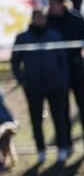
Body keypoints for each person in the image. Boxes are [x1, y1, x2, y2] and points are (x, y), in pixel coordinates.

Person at [11, 8, 70, 164]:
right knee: (36, 120)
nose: (40, 20)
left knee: (59, 118)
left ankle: (62, 148)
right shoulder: (22, 38)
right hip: (33, 86)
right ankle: (41, 150)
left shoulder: (54, 36)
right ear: (32, 19)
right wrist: (22, 80)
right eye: (37, 17)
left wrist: (63, 81)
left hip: (55, 85)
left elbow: (63, 61)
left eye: (42, 17)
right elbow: (15, 61)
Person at [45, 0, 84, 155]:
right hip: (58, 71)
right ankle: (66, 144)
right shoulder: (48, 21)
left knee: (82, 106)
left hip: (76, 68)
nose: (51, 7)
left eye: (54, 3)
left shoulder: (76, 18)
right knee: (62, 108)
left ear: (62, 3)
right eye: (50, 3)